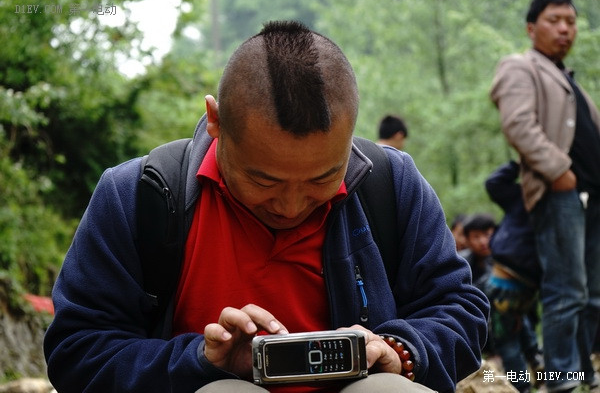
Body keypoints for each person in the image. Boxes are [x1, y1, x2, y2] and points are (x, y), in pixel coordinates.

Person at [44, 21, 489, 393]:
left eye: (321, 179)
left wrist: (398, 351)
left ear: (350, 132)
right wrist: (202, 360)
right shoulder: (139, 195)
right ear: (216, 121)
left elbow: (461, 308)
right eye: (264, 180)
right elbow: (77, 350)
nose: (292, 205)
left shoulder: (391, 184)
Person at [490, 0, 600, 391]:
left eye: (571, 21)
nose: (565, 28)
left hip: (590, 196)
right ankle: (561, 381)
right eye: (555, 20)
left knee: (592, 296)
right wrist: (559, 171)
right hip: (560, 195)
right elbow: (518, 124)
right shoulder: (521, 67)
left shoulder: (566, 77)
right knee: (566, 292)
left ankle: (584, 374)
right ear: (531, 28)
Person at [484, 160, 544, 393]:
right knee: (518, 326)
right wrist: (521, 163)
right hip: (517, 281)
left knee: (508, 340)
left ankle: (522, 387)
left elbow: (494, 183)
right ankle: (533, 365)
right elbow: (494, 183)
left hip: (509, 281)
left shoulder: (537, 200)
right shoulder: (525, 197)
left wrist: (520, 163)